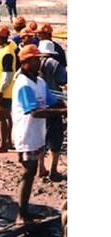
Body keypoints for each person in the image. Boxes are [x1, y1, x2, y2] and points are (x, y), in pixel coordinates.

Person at [11, 44, 67, 225]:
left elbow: (52, 102)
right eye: (36, 59)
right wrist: (62, 112)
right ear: (26, 62)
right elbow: (34, 111)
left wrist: (63, 107)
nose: (39, 62)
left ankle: (25, 211)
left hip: (37, 134)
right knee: (28, 172)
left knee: (32, 171)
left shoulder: (40, 82)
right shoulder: (23, 84)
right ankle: (21, 214)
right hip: (25, 134)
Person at [36, 40, 68, 182]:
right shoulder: (53, 64)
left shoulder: (34, 64)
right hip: (54, 104)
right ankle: (53, 170)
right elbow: (63, 80)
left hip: (39, 105)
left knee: (41, 137)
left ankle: (41, 167)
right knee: (55, 138)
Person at [0, 25, 17, 153]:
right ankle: (9, 142)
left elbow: (8, 74)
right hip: (9, 89)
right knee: (7, 116)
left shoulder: (7, 53)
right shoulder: (10, 47)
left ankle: (3, 145)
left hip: (6, 91)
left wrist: (0, 91)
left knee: (1, 116)